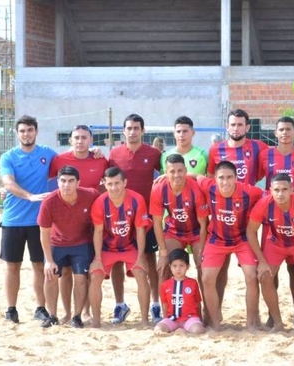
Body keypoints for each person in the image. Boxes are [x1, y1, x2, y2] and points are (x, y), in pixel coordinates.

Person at [247, 173, 294, 333]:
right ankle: (278, 323)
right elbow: (250, 231)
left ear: (292, 190)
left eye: (284, 189)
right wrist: (261, 260)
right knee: (264, 276)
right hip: (276, 243)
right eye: (276, 190)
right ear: (270, 190)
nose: (280, 194)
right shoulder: (263, 204)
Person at [0, 115, 57, 324]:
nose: (26, 134)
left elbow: (69, 163)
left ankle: (40, 308)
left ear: (36, 131)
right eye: (22, 131)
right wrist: (29, 196)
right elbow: (8, 182)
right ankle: (11, 309)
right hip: (13, 220)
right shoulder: (8, 157)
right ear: (17, 133)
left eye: (30, 130)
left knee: (39, 266)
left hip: (39, 222)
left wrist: (95, 151)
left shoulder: (48, 153)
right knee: (12, 266)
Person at [257, 116, 294, 330]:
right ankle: (273, 316)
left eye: (289, 129)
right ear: (275, 133)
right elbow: (255, 178)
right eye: (281, 129)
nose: (285, 133)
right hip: (272, 219)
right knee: (272, 270)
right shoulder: (266, 155)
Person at [49, 125, 109, 323]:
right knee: (65, 272)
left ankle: (84, 312)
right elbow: (46, 180)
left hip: (91, 223)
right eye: (76, 137)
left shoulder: (101, 159)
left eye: (84, 137)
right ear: (70, 141)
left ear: (91, 140)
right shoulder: (60, 160)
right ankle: (67, 312)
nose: (80, 141)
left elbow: (110, 182)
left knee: (86, 272)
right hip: (66, 223)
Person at [108, 113, 162, 324]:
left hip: (145, 218)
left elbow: (167, 173)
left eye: (136, 128)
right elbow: (107, 179)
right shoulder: (114, 153)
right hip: (119, 218)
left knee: (149, 260)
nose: (132, 131)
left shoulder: (154, 153)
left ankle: (156, 305)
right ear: (123, 131)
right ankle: (120, 305)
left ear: (143, 130)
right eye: (129, 128)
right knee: (117, 261)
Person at [197, 161, 263, 331]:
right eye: (221, 178)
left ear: (236, 178)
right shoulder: (209, 186)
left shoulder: (249, 191)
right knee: (206, 279)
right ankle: (215, 323)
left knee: (251, 276)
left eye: (229, 177)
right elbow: (196, 177)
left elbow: (270, 195)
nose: (225, 182)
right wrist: (165, 176)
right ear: (215, 179)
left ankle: (251, 323)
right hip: (217, 239)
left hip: (242, 240)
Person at [88, 167, 152, 328]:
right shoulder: (100, 203)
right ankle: (96, 321)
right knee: (95, 277)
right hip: (107, 249)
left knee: (141, 273)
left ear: (125, 183)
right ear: (104, 184)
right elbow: (98, 231)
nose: (114, 188)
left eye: (117, 183)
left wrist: (140, 257)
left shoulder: (136, 199)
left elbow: (140, 230)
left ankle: (145, 320)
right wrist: (97, 258)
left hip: (129, 247)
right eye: (109, 184)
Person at [37, 166, 100, 328]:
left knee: (80, 279)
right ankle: (52, 315)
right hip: (57, 243)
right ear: (57, 182)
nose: (67, 185)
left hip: (81, 243)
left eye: (71, 181)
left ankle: (77, 316)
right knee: (50, 275)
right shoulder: (49, 202)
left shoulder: (91, 195)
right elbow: (44, 233)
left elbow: (106, 203)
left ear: (78, 183)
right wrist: (48, 261)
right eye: (63, 181)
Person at [150, 154, 209, 296]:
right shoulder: (158, 189)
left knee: (204, 269)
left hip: (196, 232)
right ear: (165, 173)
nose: (176, 175)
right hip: (174, 232)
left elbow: (203, 224)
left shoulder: (196, 189)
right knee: (164, 268)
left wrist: (201, 249)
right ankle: (167, 315)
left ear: (186, 170)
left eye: (180, 171)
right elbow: (157, 223)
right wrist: (163, 252)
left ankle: (205, 313)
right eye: (172, 171)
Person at [154, 248, 205, 334]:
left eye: (181, 265)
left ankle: (185, 328)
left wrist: (200, 319)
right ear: (170, 267)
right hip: (172, 319)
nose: (178, 269)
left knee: (198, 330)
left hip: (190, 318)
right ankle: (176, 329)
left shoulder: (193, 283)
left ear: (187, 266)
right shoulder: (165, 285)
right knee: (158, 330)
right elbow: (165, 304)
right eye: (175, 266)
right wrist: (165, 319)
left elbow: (197, 303)